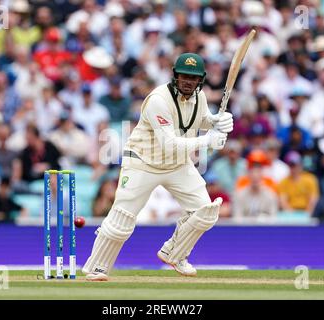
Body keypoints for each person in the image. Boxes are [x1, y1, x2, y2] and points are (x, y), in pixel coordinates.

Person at [83, 53, 233, 281]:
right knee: (122, 219)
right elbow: (170, 143)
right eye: (184, 76)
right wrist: (207, 140)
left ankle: (175, 253)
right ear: (175, 75)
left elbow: (197, 119)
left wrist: (215, 121)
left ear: (200, 79)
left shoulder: (199, 97)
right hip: (143, 163)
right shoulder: (158, 100)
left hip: (177, 165)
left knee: (206, 212)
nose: (188, 81)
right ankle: (97, 267)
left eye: (193, 78)